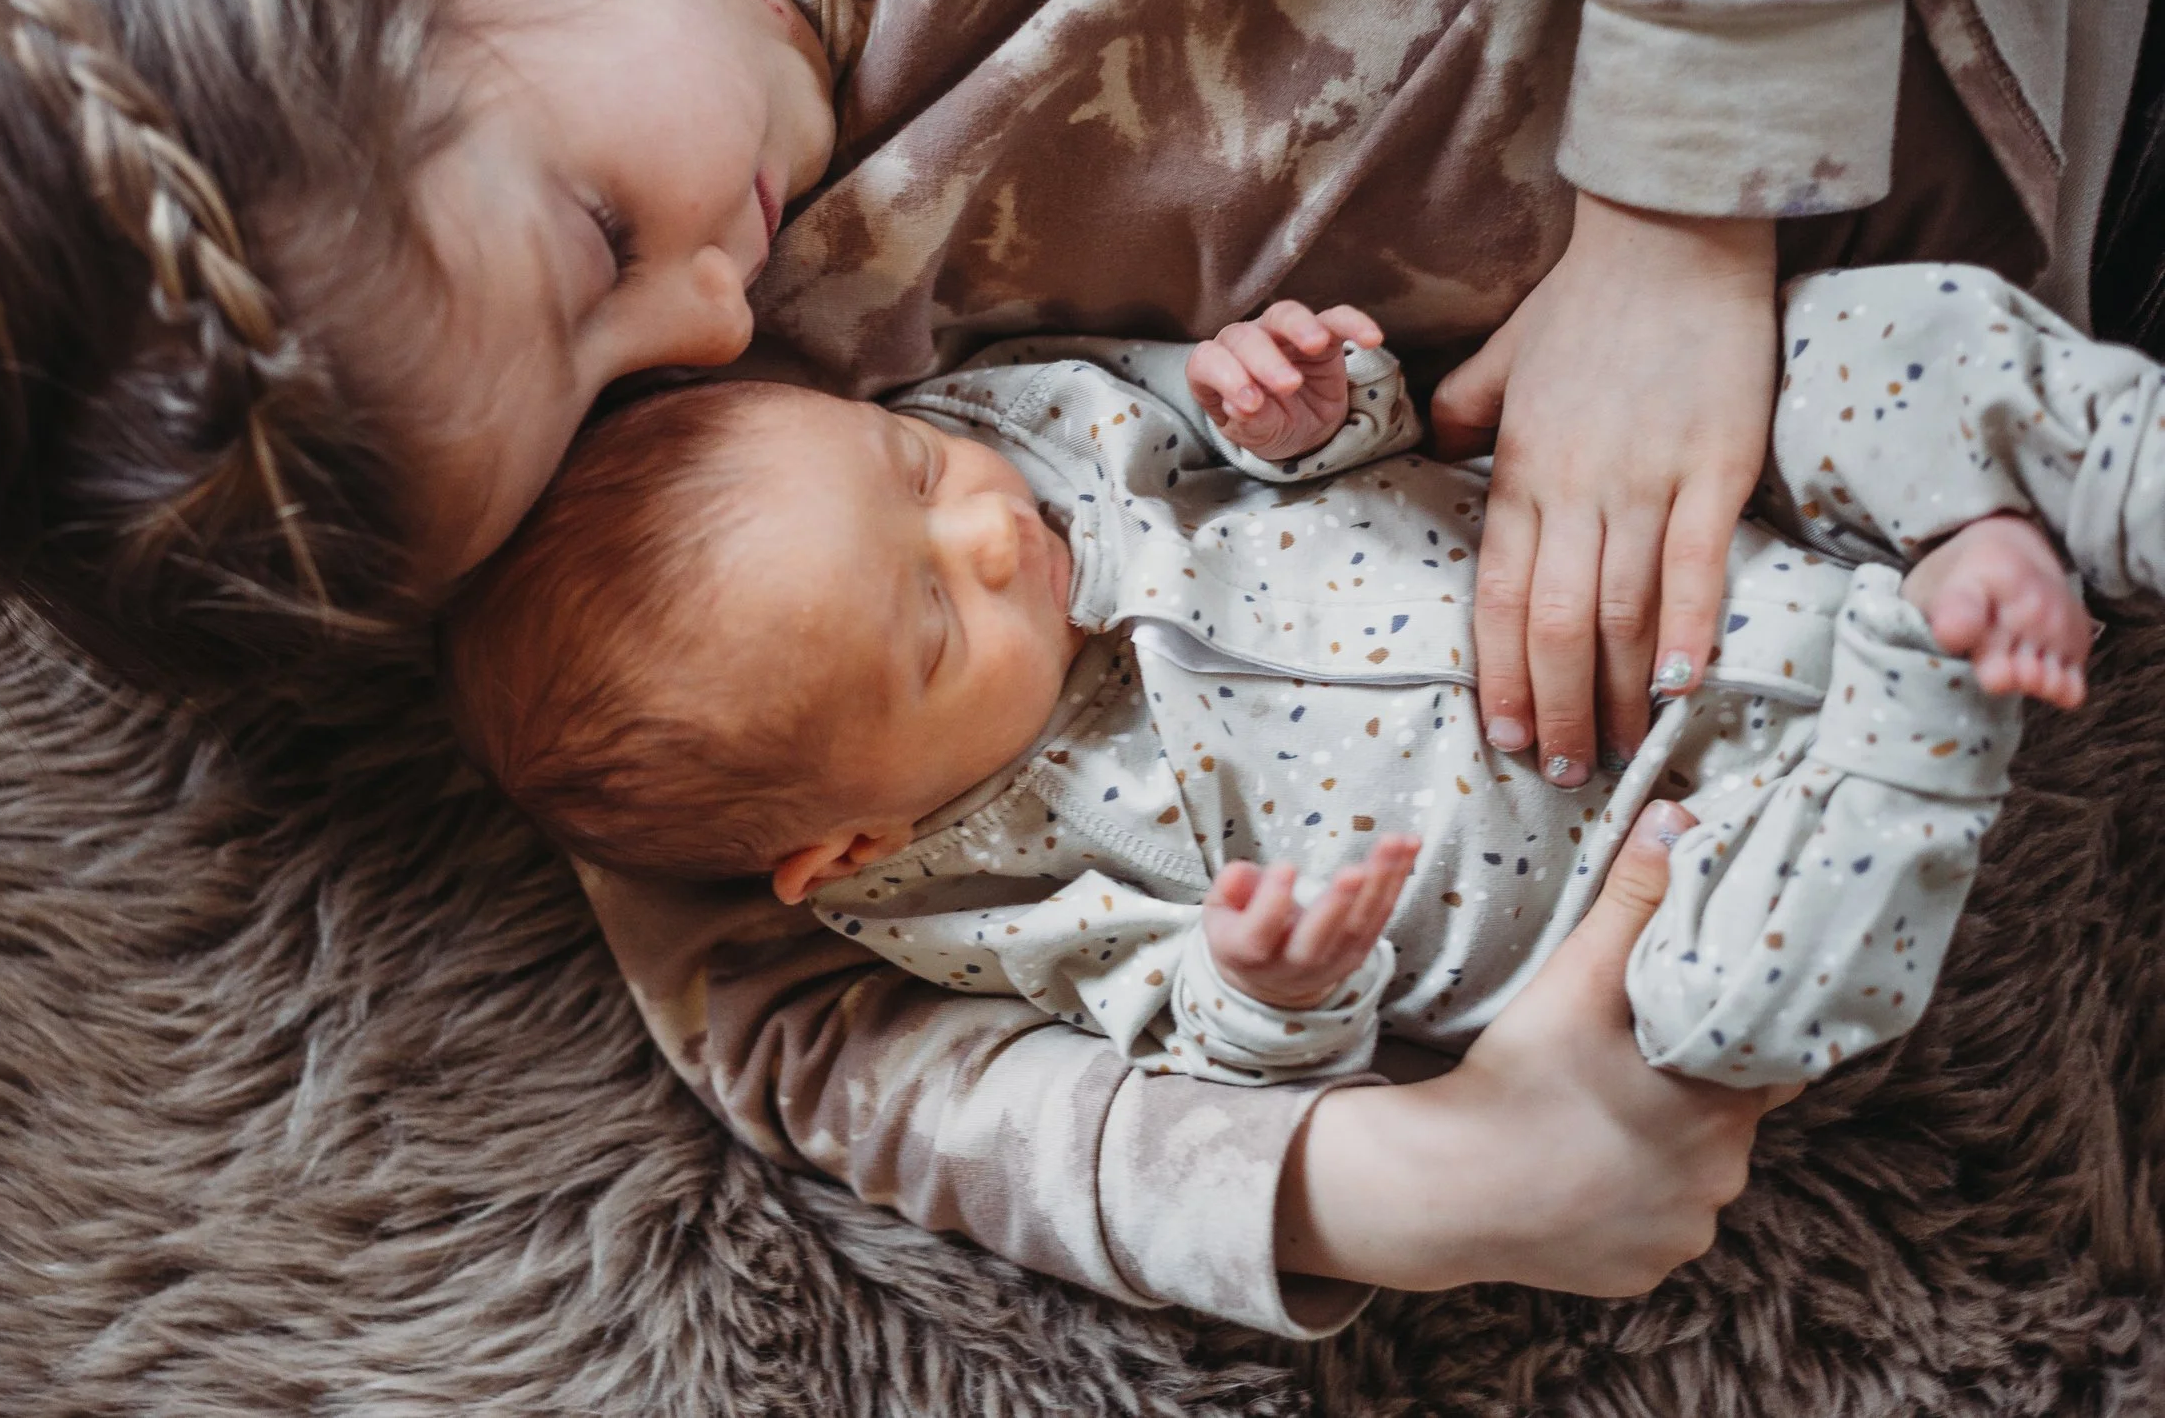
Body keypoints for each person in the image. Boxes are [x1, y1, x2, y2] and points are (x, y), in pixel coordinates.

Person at [0, 0, 2157, 1336]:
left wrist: (1674, 215)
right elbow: (785, 999)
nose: (696, 334)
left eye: (588, 246)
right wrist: (1382, 1180)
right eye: (595, 406)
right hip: (1955, 429)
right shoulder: (605, 434)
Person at [450, 263, 2146, 1097]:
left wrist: (1304, 408)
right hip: (1684, 839)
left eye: (904, 472)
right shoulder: (984, 896)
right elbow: (1197, 1043)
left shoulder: (1027, 439)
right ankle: (1931, 695)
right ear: (850, 840)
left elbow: (1312, 431)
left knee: (1854, 339)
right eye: (931, 635)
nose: (981, 532)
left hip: (1697, 521)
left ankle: (2109, 476)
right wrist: (1272, 990)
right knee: (1718, 1023)